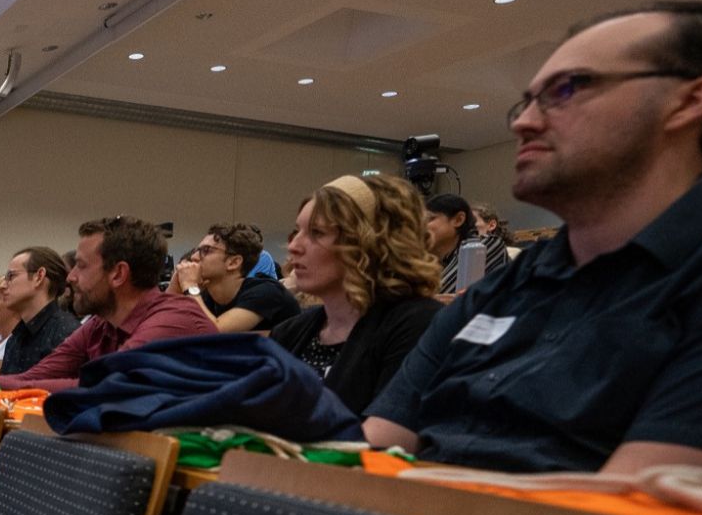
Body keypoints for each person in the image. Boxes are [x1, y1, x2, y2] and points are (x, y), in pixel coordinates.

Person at [365, 0, 702, 474]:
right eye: (526, 102)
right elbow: (371, 451)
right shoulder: (505, 288)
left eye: (566, 90)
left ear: (689, 100)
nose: (524, 122)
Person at [0, 217, 213, 391]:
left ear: (118, 274)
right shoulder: (101, 326)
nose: (71, 277)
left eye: (80, 266)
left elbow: (106, 386)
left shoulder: (173, 318)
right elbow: (33, 379)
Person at [267, 176, 446, 416]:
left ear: (369, 242)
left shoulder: (418, 324)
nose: (293, 247)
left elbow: (386, 438)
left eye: (317, 233)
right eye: (297, 231)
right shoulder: (289, 333)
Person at [171, 222, 299, 332]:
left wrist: (190, 286)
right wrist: (175, 286)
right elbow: (166, 325)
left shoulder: (266, 291)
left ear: (233, 262)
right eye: (197, 251)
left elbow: (215, 331)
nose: (194, 257)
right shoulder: (207, 297)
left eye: (206, 250)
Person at [0, 245, 79, 378]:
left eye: (11, 276)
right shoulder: (15, 338)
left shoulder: (67, 334)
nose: (3, 285)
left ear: (39, 276)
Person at [421, 193, 478, 294]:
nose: (422, 225)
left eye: (430, 219)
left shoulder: (482, 247)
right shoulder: (424, 254)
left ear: (458, 220)